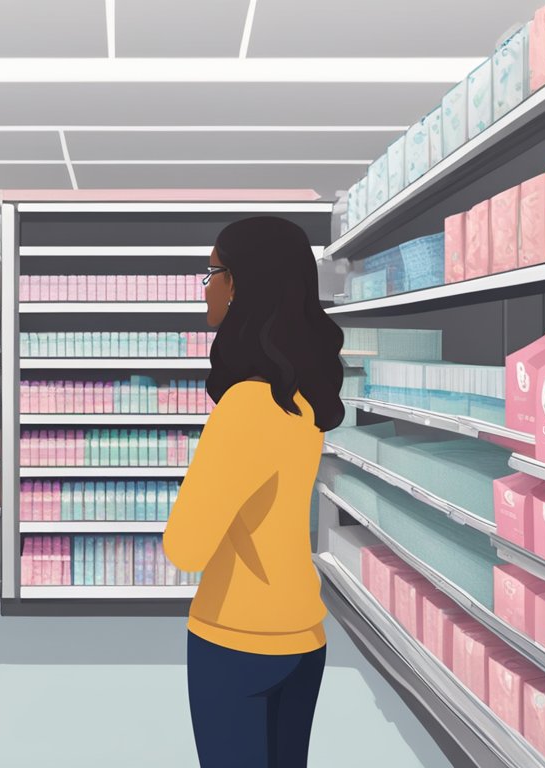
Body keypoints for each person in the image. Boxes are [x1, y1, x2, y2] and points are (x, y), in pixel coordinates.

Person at [163, 216, 345, 768]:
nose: (207, 285)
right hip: (302, 633)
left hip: (234, 637)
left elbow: (185, 547)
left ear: (244, 283)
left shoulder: (244, 407)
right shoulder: (305, 407)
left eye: (213, 272)